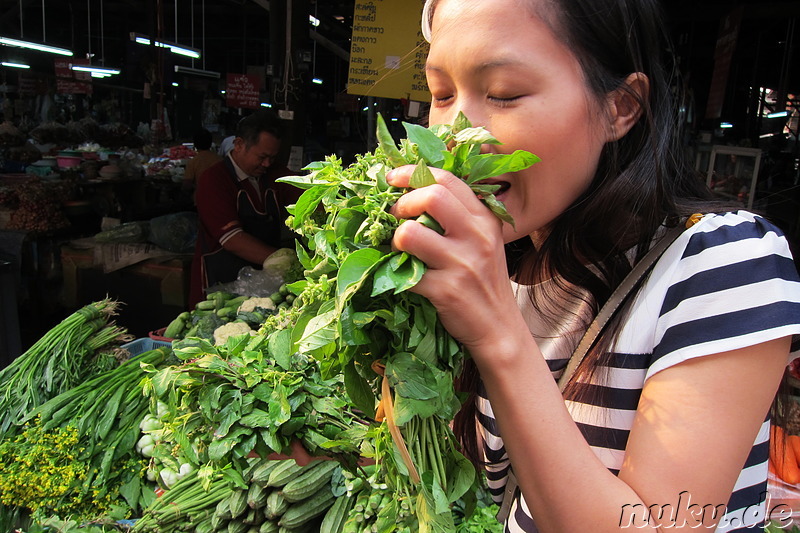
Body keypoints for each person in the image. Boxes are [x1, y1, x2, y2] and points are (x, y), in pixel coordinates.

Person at [382, 0, 800, 531]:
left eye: (504, 94)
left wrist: (495, 335)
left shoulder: (726, 261)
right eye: (441, 95)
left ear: (619, 108)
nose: (451, 135)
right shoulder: (498, 268)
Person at [189, 110, 300, 307]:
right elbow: (232, 240)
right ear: (239, 145)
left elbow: (305, 197)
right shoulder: (214, 180)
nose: (267, 164)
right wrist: (286, 263)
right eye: (262, 156)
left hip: (262, 285)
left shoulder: (275, 174)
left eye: (272, 158)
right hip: (220, 285)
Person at [182, 128, 222, 202]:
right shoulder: (220, 160)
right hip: (220, 199)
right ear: (210, 143)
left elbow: (186, 185)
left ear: (195, 144)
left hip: (200, 201)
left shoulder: (193, 162)